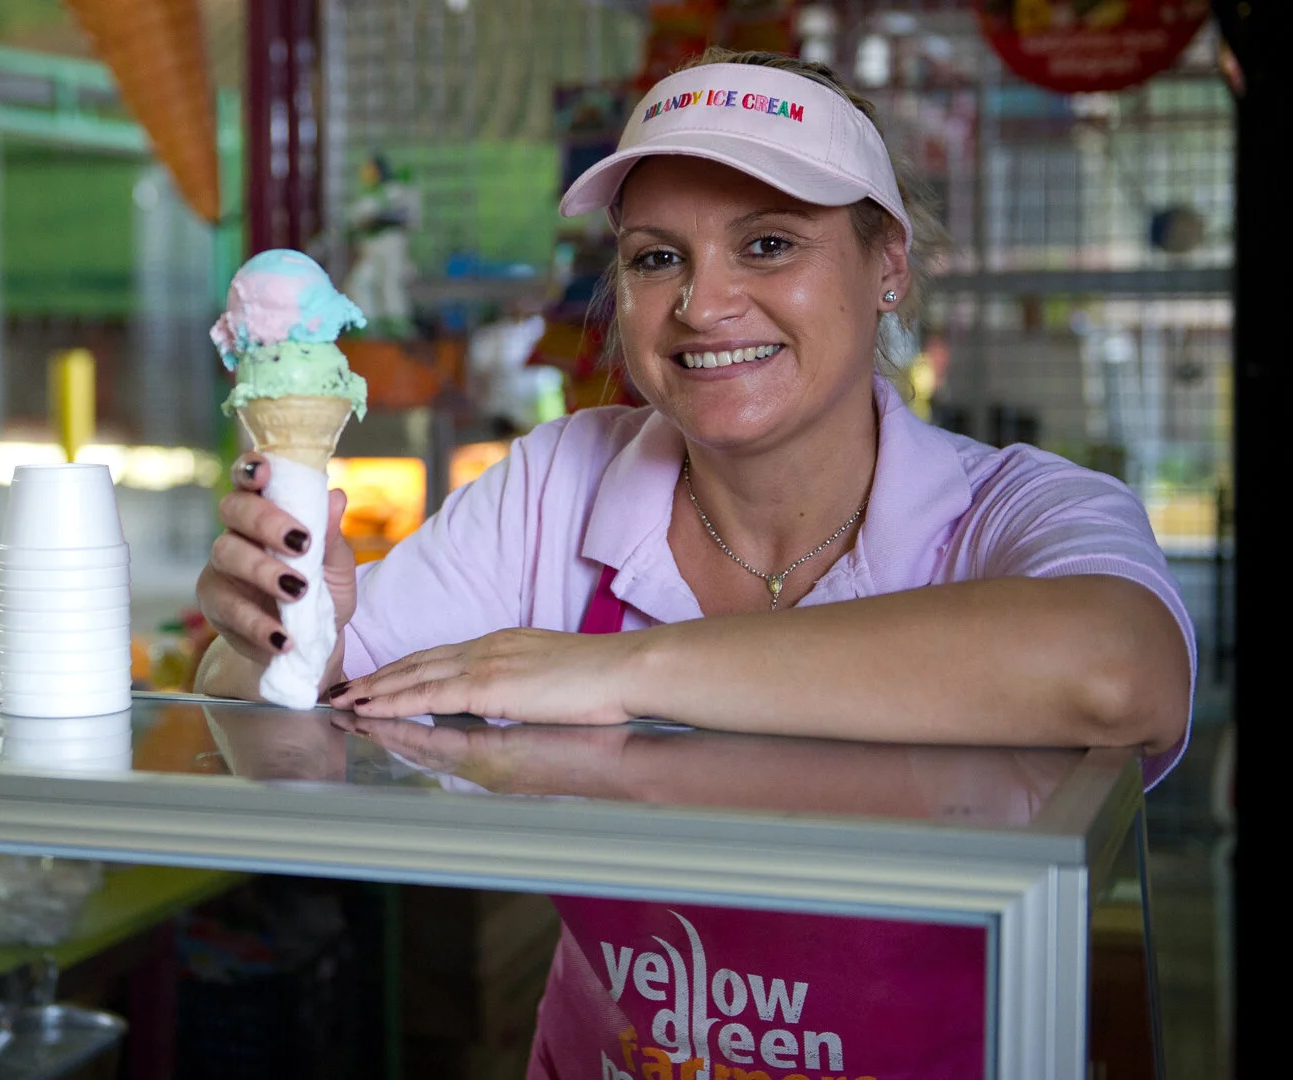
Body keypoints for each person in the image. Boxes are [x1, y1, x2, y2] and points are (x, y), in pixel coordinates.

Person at [197, 50, 1193, 1070]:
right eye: (656, 258)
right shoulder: (558, 483)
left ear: (888, 265)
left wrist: (619, 671)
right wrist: (278, 629)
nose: (703, 305)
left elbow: (1121, 670)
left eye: (768, 244)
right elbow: (269, 702)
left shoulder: (1014, 510)